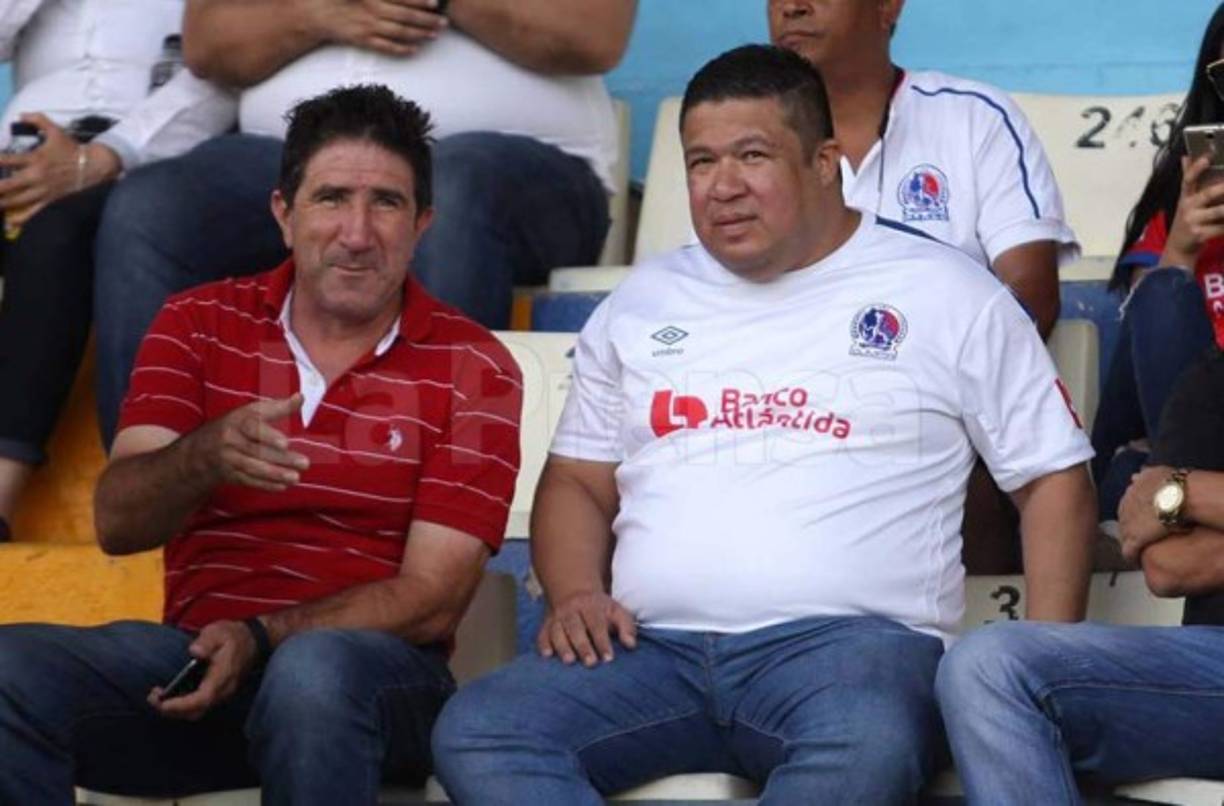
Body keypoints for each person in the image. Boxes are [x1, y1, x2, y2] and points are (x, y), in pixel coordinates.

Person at [430, 45, 1096, 805]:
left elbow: (1053, 480)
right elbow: (579, 480)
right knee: (482, 729)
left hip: (850, 653)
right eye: (701, 161)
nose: (723, 186)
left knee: (866, 746)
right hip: (649, 649)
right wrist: (577, 591)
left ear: (824, 164)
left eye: (753, 156)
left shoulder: (949, 293)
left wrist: (1039, 665)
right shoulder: (642, 302)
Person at [0, 84, 522, 804]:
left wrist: (264, 635)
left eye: (386, 203)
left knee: (312, 673)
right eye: (331, 198)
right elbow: (118, 524)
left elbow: (432, 600)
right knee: (9, 670)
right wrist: (204, 456)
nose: (357, 233)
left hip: (376, 683)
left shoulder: (475, 364)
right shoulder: (197, 322)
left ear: (422, 224)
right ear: (284, 214)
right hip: (200, 665)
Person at [92, 0, 636, 445]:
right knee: (151, 208)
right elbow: (208, 43)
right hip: (299, 156)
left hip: (522, 172)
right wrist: (317, 13)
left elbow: (595, 33)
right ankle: (153, 490)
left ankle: (419, 483)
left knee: (444, 189)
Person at [768, 0, 1081, 574]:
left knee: (954, 455)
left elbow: (1032, 297)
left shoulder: (972, 118)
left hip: (937, 407)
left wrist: (910, 388)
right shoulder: (751, 143)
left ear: (888, 6)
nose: (791, 6)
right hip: (791, 411)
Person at [937, 344, 1224, 805]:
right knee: (991, 666)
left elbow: (1166, 509)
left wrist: (1189, 492)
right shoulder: (1213, 380)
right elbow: (1167, 564)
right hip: (1210, 671)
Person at [0, 0, 234, 541]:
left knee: (56, 234)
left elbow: (224, 77)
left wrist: (104, 157)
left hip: (145, 161)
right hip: (20, 150)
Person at [1090, 2, 1224, 522]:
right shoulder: (1183, 198)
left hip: (1173, 480)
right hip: (1190, 434)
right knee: (1163, 292)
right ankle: (1171, 487)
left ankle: (1166, 491)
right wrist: (1183, 248)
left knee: (1131, 478)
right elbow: (1147, 339)